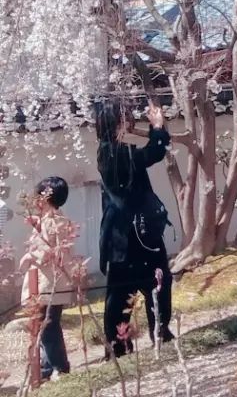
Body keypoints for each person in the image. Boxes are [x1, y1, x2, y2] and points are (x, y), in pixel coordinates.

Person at [95, 98, 174, 356]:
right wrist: (157, 126)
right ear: (118, 122)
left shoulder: (109, 151)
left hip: (125, 234)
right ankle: (141, 337)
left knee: (124, 289)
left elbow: (149, 154)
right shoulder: (114, 153)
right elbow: (153, 153)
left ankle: (123, 344)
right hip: (133, 234)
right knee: (152, 282)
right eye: (125, 118)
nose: (128, 122)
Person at [19, 176, 83, 381]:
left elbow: (52, 250)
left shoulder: (56, 221)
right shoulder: (49, 220)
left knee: (48, 325)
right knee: (44, 325)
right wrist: (37, 226)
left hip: (50, 283)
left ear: (45, 198)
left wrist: (31, 255)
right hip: (45, 282)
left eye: (39, 195)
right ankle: (48, 366)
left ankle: (59, 366)